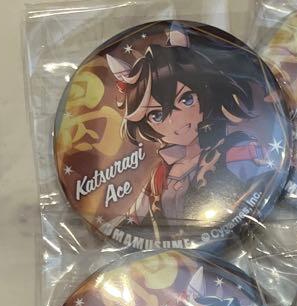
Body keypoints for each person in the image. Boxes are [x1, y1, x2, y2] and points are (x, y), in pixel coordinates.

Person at [105, 24, 270, 239]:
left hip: (232, 240)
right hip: (165, 255)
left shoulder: (234, 150)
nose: (176, 121)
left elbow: (262, 189)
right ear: (146, 124)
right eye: (156, 115)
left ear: (204, 94)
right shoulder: (160, 175)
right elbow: (128, 225)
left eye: (186, 99)